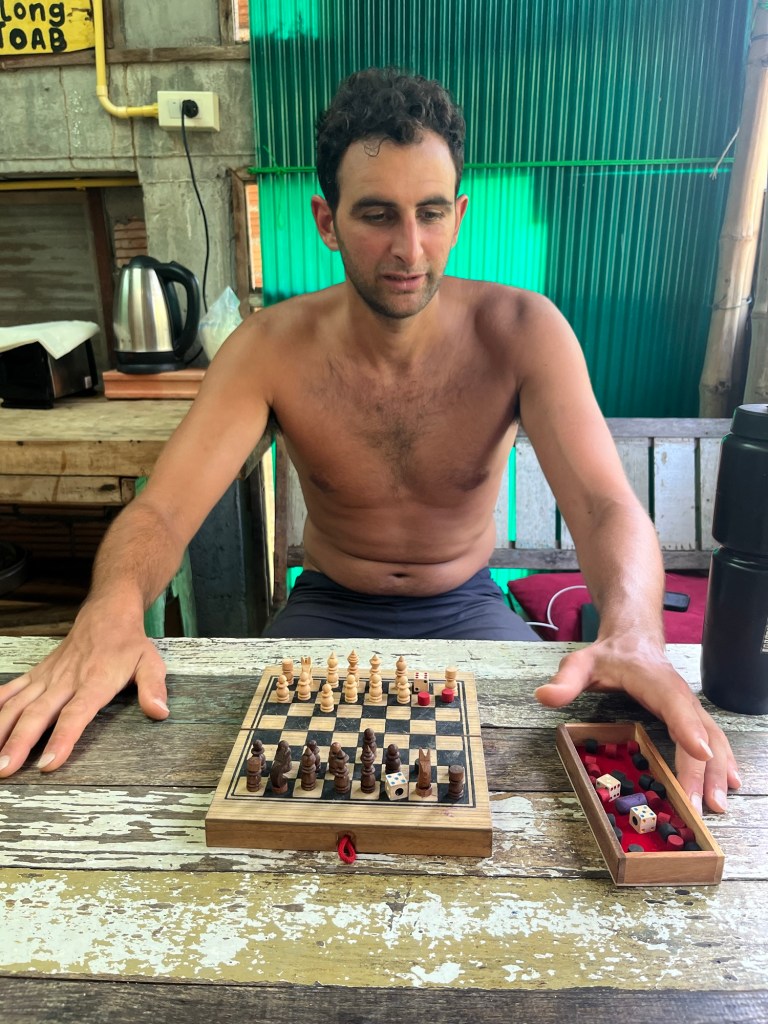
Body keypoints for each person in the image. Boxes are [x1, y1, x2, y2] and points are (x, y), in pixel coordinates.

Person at [0, 68, 739, 816]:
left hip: (469, 609)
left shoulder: (523, 332)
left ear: (459, 214)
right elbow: (162, 510)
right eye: (378, 215)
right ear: (327, 221)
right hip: (327, 609)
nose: (409, 248)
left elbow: (607, 506)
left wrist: (636, 632)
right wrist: (112, 609)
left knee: (531, 800)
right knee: (264, 808)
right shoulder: (268, 349)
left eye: (431, 213)